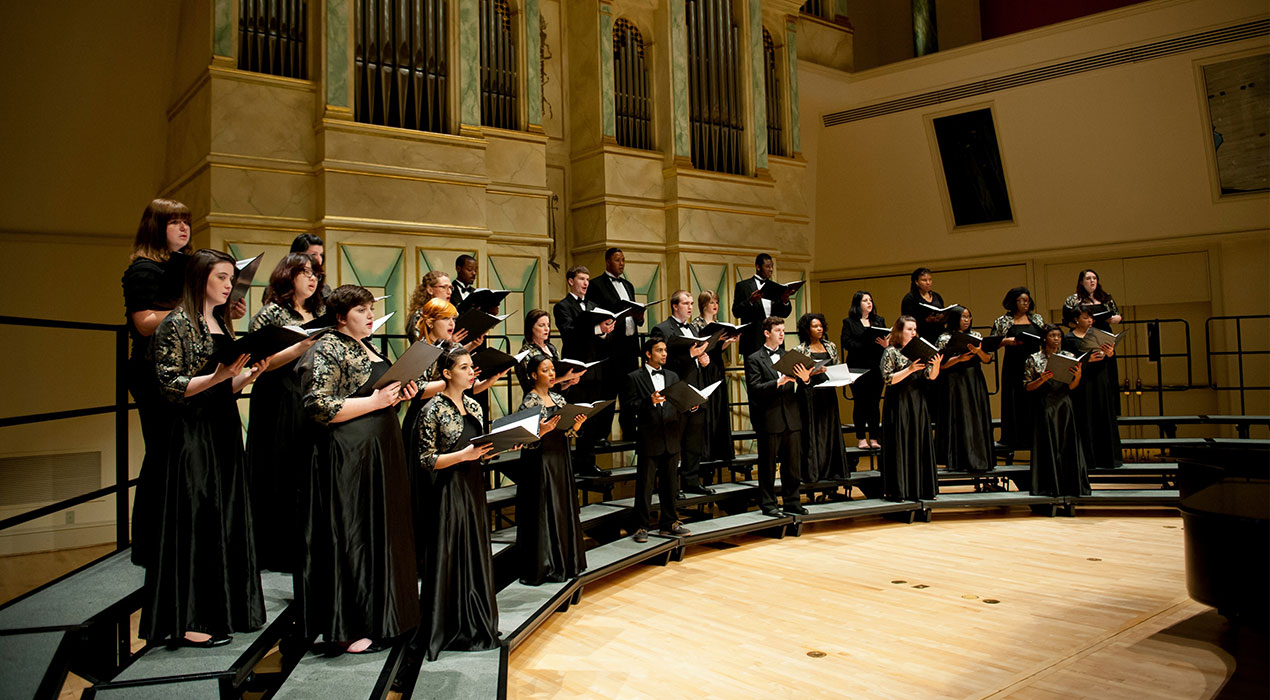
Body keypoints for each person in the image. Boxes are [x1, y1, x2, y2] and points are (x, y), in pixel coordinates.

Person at [143, 249, 266, 647]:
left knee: (224, 512)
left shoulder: (219, 322)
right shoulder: (176, 324)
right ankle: (189, 620)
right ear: (200, 280)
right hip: (191, 432)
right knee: (196, 517)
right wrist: (219, 376)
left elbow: (223, 386)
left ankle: (226, 608)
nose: (230, 285)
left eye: (231, 278)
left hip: (222, 429)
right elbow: (170, 387)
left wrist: (245, 376)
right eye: (222, 278)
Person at [296, 285, 421, 654]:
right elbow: (318, 407)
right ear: (339, 316)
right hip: (349, 456)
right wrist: (376, 401)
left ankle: (385, 617)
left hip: (379, 451)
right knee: (353, 535)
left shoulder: (367, 345)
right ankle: (349, 626)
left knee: (380, 531)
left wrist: (399, 395)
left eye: (371, 308)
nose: (370, 315)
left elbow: (379, 399)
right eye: (361, 310)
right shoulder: (327, 347)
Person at [415, 348, 502, 660]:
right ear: (447, 373)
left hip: (473, 487)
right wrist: (462, 456)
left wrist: (501, 446)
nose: (471, 371)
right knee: (449, 555)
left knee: (475, 553)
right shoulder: (432, 410)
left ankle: (476, 620)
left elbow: (481, 450)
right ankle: (445, 625)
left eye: (471, 367)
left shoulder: (475, 406)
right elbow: (425, 459)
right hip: (448, 491)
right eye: (464, 367)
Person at [122, 198, 192, 567]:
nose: (183, 228)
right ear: (155, 227)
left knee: (174, 454)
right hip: (151, 370)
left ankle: (170, 537)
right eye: (174, 222)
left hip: (175, 366)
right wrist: (190, 309)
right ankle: (149, 545)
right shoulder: (143, 270)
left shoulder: (179, 267)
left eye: (186, 222)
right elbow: (145, 322)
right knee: (162, 453)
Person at [245, 253, 324, 573]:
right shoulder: (271, 313)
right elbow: (259, 363)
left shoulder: (318, 312)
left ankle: (306, 545)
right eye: (304, 272)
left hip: (308, 394)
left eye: (315, 273)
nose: (312, 278)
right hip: (278, 397)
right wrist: (300, 346)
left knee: (306, 470)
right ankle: (274, 550)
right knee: (279, 468)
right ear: (287, 276)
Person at [516, 356, 588, 583]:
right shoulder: (529, 402)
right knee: (544, 510)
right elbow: (523, 441)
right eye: (545, 370)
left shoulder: (558, 397)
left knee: (561, 508)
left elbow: (566, 432)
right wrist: (542, 431)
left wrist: (575, 425)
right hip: (540, 462)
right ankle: (545, 565)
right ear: (534, 375)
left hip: (560, 460)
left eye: (552, 370)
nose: (551, 374)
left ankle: (566, 561)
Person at [622, 338, 691, 541]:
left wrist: (689, 405)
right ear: (648, 354)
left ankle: (669, 522)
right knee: (645, 485)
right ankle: (641, 526)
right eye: (659, 350)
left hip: (670, 435)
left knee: (670, 484)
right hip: (648, 437)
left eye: (665, 350)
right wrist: (647, 402)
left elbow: (679, 402)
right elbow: (628, 408)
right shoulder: (634, 377)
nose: (664, 354)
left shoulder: (672, 375)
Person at [553, 266, 617, 477]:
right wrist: (597, 330)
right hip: (574, 369)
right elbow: (569, 334)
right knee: (573, 415)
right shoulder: (562, 306)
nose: (586, 283)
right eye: (581, 279)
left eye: (588, 279)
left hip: (596, 369)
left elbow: (604, 342)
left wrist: (606, 332)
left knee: (590, 418)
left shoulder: (593, 306)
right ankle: (565, 464)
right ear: (570, 281)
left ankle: (587, 462)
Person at [745, 317, 812, 516]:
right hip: (769, 418)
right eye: (777, 330)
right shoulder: (754, 358)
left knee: (792, 465)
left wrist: (806, 380)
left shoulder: (790, 356)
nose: (782, 334)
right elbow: (755, 389)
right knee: (767, 465)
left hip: (791, 417)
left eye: (783, 330)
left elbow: (803, 389)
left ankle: (792, 502)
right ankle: (768, 504)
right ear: (767, 333)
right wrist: (778, 382)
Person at [651, 290, 715, 496]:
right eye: (685, 303)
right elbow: (661, 362)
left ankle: (691, 480)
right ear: (674, 306)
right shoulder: (661, 329)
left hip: (696, 390)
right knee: (673, 443)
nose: (690, 307)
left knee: (693, 441)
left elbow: (698, 358)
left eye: (690, 303)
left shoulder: (694, 329)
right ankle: (669, 485)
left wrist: (704, 361)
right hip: (676, 393)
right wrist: (689, 354)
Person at [879, 316, 942, 501]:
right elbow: (888, 379)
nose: (913, 332)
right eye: (909, 329)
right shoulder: (891, 352)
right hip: (898, 401)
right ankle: (899, 490)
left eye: (915, 329)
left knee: (919, 441)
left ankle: (922, 488)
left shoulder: (919, 351)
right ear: (899, 331)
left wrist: (936, 365)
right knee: (900, 441)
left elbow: (931, 376)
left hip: (917, 401)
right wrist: (910, 369)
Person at [1024, 324, 1089, 497]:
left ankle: (1070, 485)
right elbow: (1028, 387)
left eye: (1059, 336)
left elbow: (1072, 386)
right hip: (1045, 404)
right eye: (1053, 335)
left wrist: (1078, 376)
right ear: (1045, 338)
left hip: (1064, 404)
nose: (1056, 339)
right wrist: (1042, 380)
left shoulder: (1068, 356)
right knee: (1047, 444)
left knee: (1066, 444)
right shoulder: (1034, 358)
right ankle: (1047, 485)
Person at [934, 307, 995, 472]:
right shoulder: (945, 338)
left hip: (973, 379)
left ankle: (979, 458)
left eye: (969, 317)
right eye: (963, 317)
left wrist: (978, 351)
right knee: (957, 416)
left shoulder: (976, 336)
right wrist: (959, 358)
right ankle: (956, 459)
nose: (967, 320)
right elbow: (941, 365)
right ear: (955, 319)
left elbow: (988, 359)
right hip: (954, 380)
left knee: (976, 416)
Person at [792, 313, 848, 487]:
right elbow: (796, 375)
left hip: (828, 391)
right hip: (809, 393)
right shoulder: (800, 350)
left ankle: (832, 470)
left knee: (829, 429)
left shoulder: (830, 346)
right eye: (815, 326)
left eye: (821, 326)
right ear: (807, 330)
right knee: (812, 430)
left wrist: (842, 377)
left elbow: (836, 365)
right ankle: (812, 471)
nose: (819, 329)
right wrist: (812, 372)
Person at [1063, 307, 1122, 469]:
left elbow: (1108, 359)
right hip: (1084, 382)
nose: (1090, 321)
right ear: (1076, 319)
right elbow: (1069, 362)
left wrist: (1110, 354)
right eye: (1085, 318)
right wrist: (1087, 362)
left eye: (1091, 318)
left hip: (1101, 379)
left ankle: (1108, 459)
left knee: (1103, 414)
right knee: (1086, 416)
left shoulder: (1098, 334)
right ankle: (1089, 460)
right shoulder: (1068, 339)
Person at [992, 287, 1046, 450]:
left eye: (1027, 300)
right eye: (1022, 300)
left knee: (1034, 398)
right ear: (1013, 302)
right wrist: (1005, 342)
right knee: (1014, 398)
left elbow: (1045, 337)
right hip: (1013, 363)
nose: (1025, 303)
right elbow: (992, 342)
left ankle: (1034, 436)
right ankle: (1013, 437)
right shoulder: (1002, 321)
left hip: (1033, 363)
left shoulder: (1036, 318)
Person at [690, 290, 736, 474]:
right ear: (703, 305)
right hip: (704, 366)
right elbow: (698, 347)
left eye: (716, 302)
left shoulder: (718, 324)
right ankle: (706, 451)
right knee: (707, 408)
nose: (715, 305)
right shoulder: (696, 324)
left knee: (719, 406)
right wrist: (715, 341)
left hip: (717, 366)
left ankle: (720, 449)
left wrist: (729, 341)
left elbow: (718, 350)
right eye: (711, 303)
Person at [1064, 268, 1123, 410]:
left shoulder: (1105, 297)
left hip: (1103, 335)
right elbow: (1067, 321)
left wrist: (1110, 319)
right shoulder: (1073, 299)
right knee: (1087, 367)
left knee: (1107, 370)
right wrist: (1083, 322)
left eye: (1094, 278)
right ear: (1081, 282)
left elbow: (1118, 316)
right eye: (1088, 278)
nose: (1092, 281)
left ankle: (1109, 407)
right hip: (1083, 336)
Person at [839, 291, 887, 449]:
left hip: (875, 367)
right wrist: (865, 343)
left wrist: (885, 345)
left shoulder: (879, 321)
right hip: (857, 367)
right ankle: (861, 438)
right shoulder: (849, 322)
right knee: (860, 403)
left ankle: (874, 437)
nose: (869, 303)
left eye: (870, 300)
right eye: (865, 300)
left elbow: (885, 340)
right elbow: (846, 343)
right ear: (857, 304)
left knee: (874, 404)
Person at [732, 253, 794, 358]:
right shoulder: (743, 286)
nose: (771, 269)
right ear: (758, 267)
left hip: (774, 340)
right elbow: (736, 312)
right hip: (753, 340)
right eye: (767, 266)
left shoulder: (776, 287)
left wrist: (785, 299)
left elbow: (784, 314)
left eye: (772, 266)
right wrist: (750, 301)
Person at [516, 309, 584, 392]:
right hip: (537, 401)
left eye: (548, 325)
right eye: (541, 325)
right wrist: (564, 377)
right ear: (531, 328)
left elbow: (555, 387)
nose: (547, 329)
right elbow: (532, 386)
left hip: (555, 399)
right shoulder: (526, 352)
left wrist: (568, 382)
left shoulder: (551, 348)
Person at [899, 267, 948, 343]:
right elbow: (906, 321)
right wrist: (926, 320)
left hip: (939, 334)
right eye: (924, 280)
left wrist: (942, 317)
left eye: (930, 280)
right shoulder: (910, 298)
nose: (928, 283)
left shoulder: (936, 296)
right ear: (916, 282)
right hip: (922, 335)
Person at [405, 270, 454, 342]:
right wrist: (449, 343)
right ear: (430, 290)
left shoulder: (450, 313)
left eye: (450, 288)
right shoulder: (420, 316)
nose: (449, 292)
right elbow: (420, 347)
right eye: (444, 287)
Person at [289, 233, 330, 300]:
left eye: (321, 255)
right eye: (313, 255)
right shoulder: (280, 288)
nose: (319, 260)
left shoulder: (323, 289)